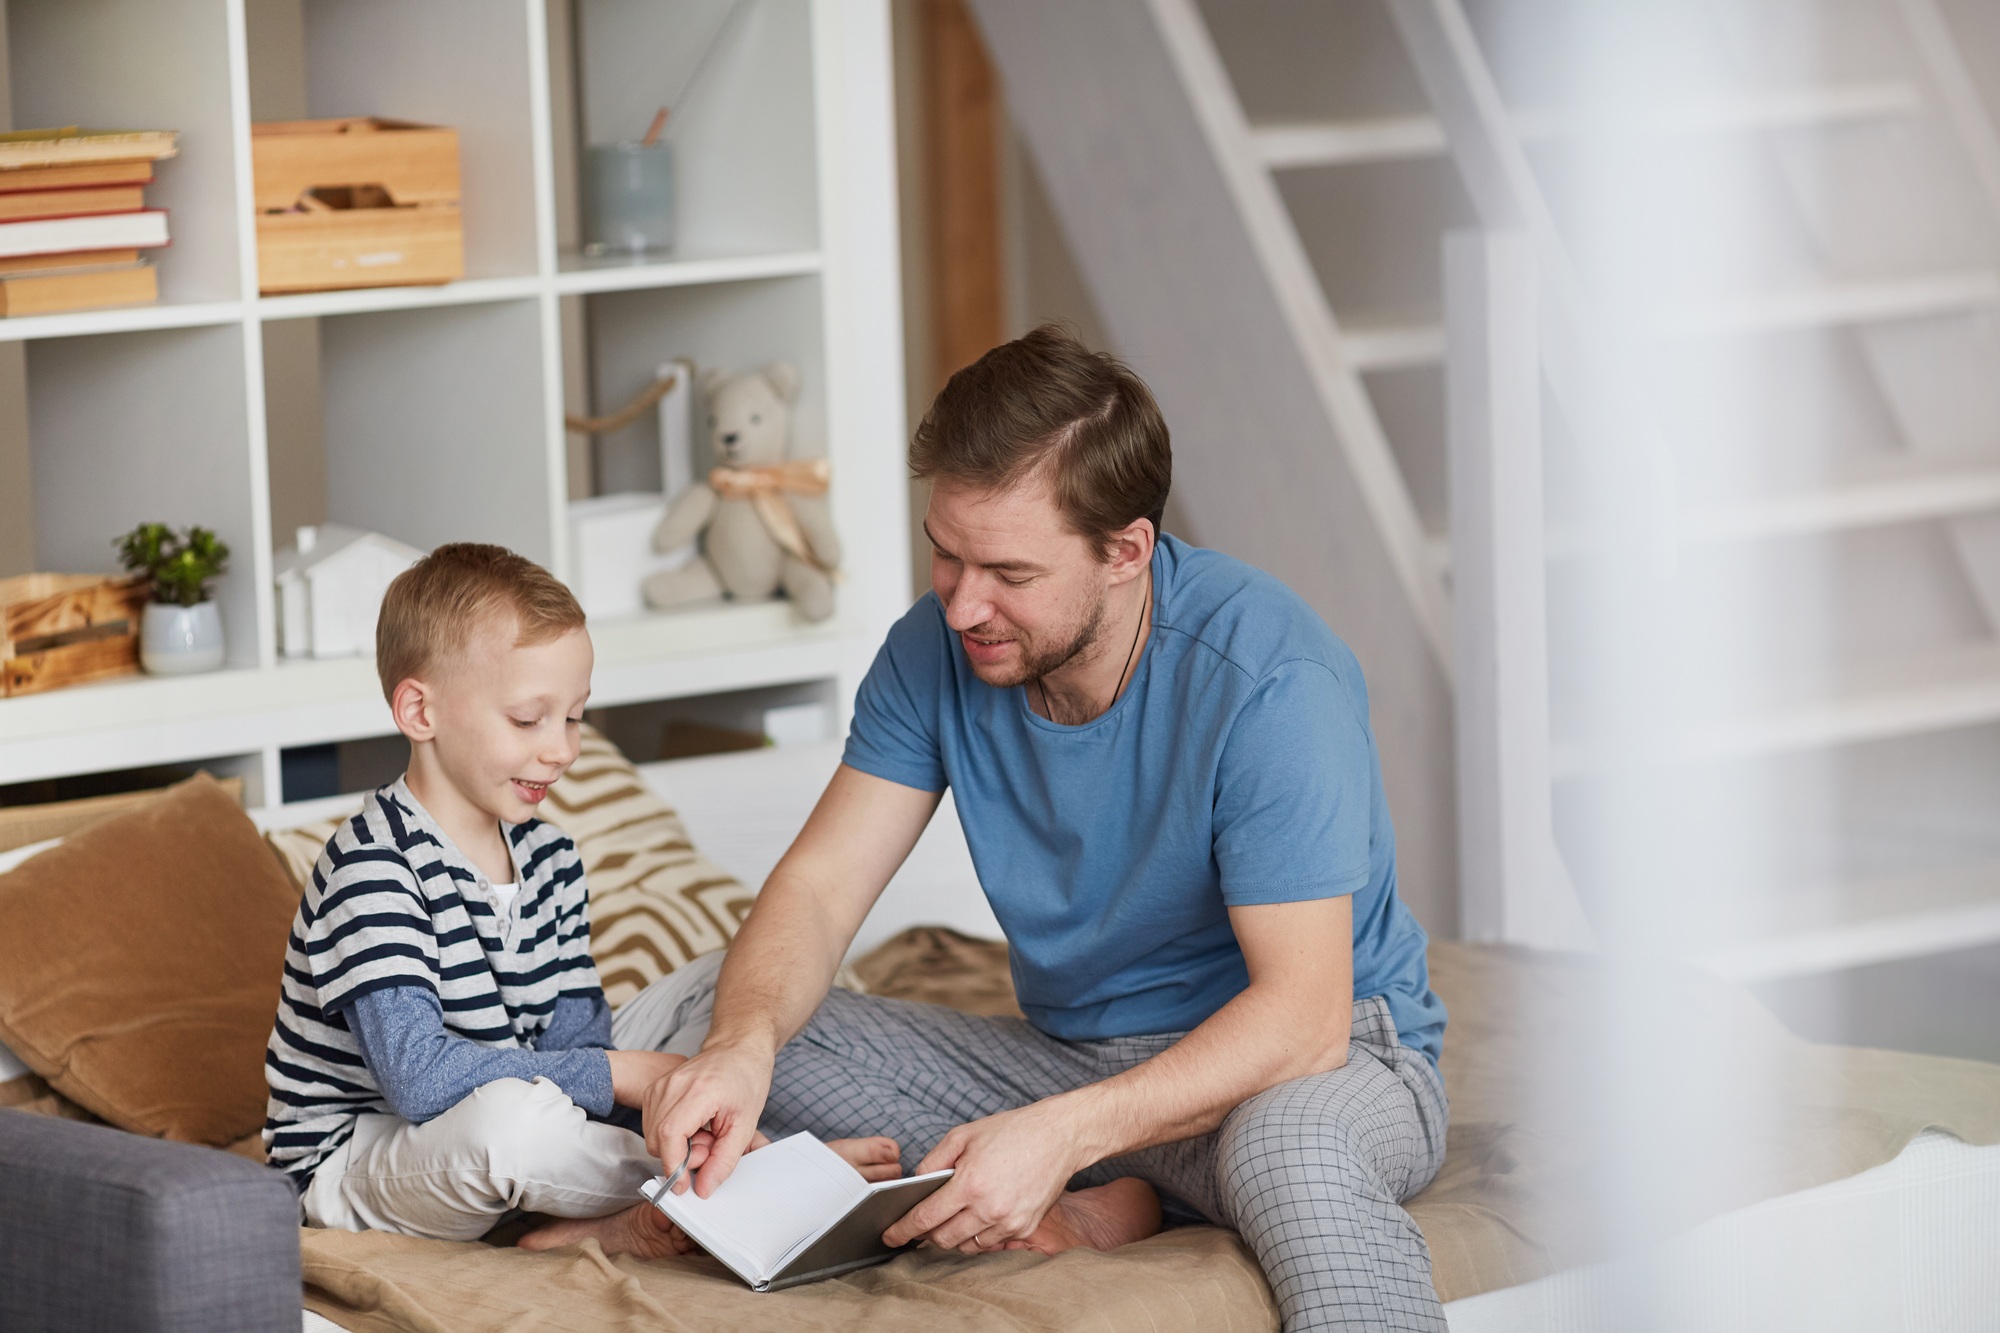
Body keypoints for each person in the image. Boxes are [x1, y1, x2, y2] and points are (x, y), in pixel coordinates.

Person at [643, 326, 1451, 1330]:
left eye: (1009, 575)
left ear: (1126, 551)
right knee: (720, 1036)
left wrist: (1058, 1137)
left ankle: (1134, 1181)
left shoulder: (1268, 680)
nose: (962, 605)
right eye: (945, 555)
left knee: (1281, 1153)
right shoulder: (929, 652)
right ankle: (1138, 1190)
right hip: (1074, 1061)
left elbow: (1302, 1018)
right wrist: (740, 1043)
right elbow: (815, 890)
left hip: (1314, 1068)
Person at [262, 543, 899, 1254]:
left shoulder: (552, 858)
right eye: (530, 718)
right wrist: (621, 1076)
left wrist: (631, 1079)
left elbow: (578, 1045)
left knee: (727, 981)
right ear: (420, 710)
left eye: (574, 717)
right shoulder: (373, 867)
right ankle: (756, 1181)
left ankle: (577, 1223)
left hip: (517, 1110)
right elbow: (420, 1081)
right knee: (511, 1125)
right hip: (360, 1163)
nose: (563, 749)